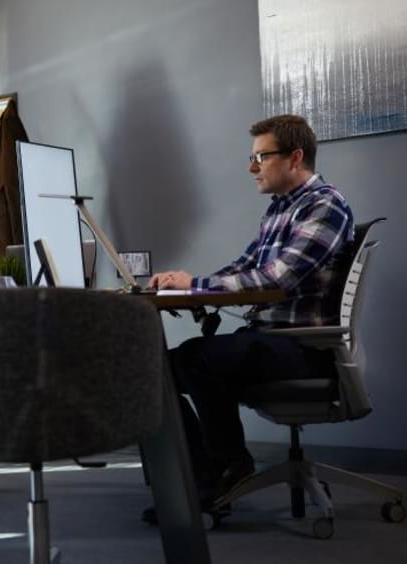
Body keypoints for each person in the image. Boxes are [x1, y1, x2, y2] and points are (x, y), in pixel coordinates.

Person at [142, 114, 354, 524]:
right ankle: (219, 470)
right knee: (168, 366)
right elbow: (242, 267)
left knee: (197, 359)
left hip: (304, 348)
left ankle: (213, 478)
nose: (251, 167)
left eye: (261, 157)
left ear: (295, 158)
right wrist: (182, 284)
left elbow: (279, 277)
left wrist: (198, 284)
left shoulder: (326, 205)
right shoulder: (278, 210)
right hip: (271, 341)